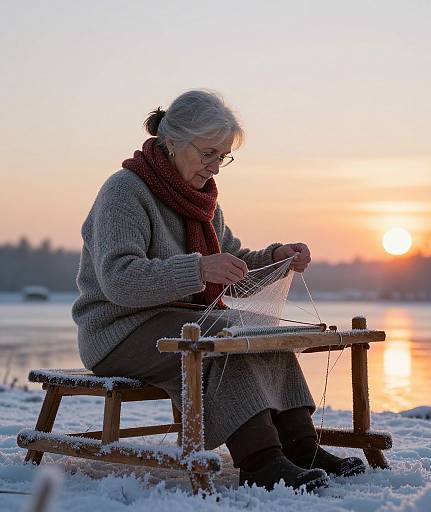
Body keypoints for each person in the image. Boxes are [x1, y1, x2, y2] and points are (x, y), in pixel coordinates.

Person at [72, 90, 364, 491]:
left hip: (179, 321)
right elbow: (120, 280)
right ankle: (261, 461)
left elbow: (233, 265)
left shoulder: (200, 200)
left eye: (222, 156)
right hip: (118, 329)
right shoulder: (124, 191)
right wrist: (198, 268)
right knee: (225, 337)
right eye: (208, 153)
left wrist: (277, 257)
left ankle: (301, 447)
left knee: (260, 331)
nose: (216, 167)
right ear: (172, 141)